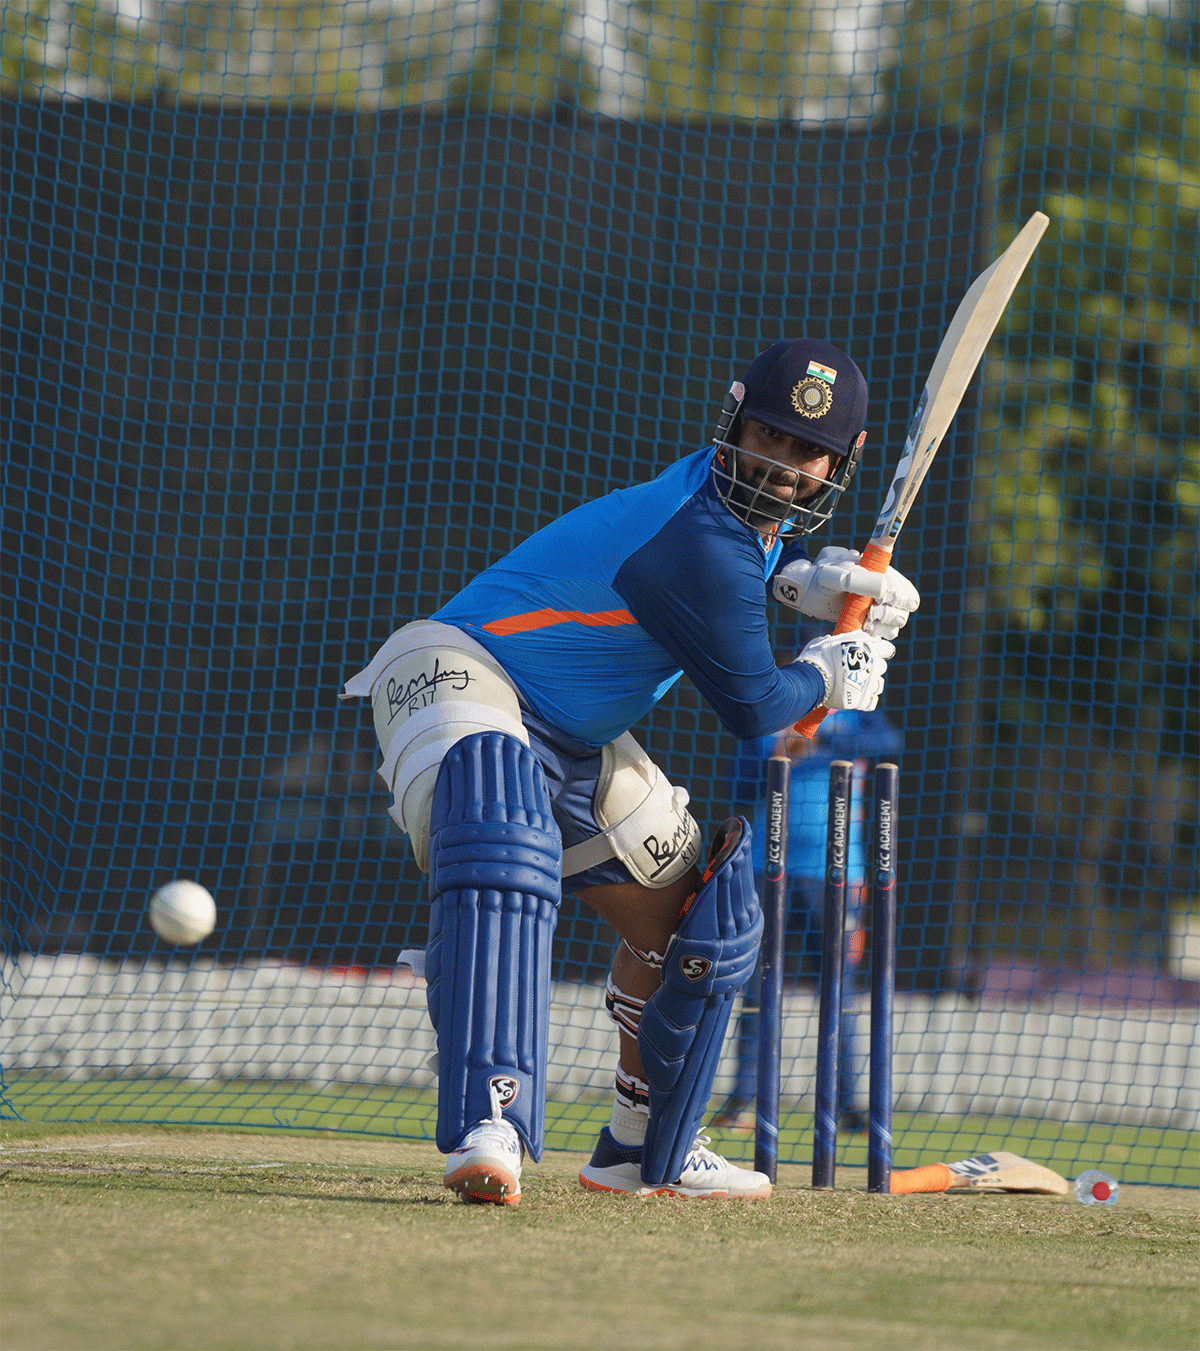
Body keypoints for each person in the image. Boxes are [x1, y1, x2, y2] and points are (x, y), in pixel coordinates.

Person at [341, 338, 920, 1205]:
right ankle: (487, 1121)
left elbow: (726, 582)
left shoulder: (742, 530)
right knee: (505, 829)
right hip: (464, 673)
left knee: (708, 917)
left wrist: (811, 584)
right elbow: (757, 704)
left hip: (572, 736)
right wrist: (833, 668)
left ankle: (641, 1147)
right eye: (767, 435)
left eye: (807, 453)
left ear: (843, 460)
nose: (783, 465)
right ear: (734, 421)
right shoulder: (704, 534)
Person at [712, 704, 903, 1133]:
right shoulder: (769, 714)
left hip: (837, 874)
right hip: (768, 869)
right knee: (758, 988)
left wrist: (818, 742)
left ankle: (847, 1105)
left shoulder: (857, 713)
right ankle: (743, 1099)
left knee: (839, 991)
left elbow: (889, 742)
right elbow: (738, 781)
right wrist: (779, 750)